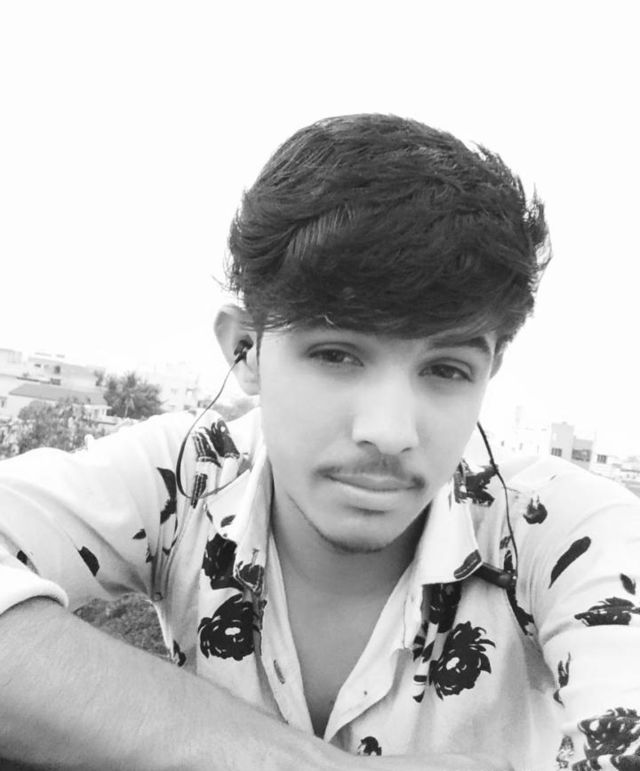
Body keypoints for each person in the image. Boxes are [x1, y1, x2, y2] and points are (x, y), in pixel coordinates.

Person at [0, 114, 638, 771]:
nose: (389, 431)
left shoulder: (559, 528)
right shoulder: (191, 476)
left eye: (446, 369)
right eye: (336, 354)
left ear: (491, 369)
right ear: (246, 349)